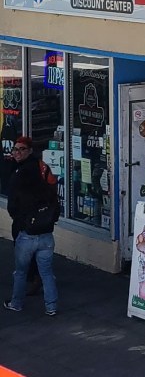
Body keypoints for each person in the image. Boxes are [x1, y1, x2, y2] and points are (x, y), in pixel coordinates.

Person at [4, 135, 59, 316]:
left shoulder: (19, 175)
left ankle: (16, 303)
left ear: (30, 151)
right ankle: (51, 307)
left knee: (20, 272)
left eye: (22, 149)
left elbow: (12, 205)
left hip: (27, 232)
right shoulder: (42, 169)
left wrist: (20, 222)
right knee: (47, 272)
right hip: (46, 232)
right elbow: (54, 197)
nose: (17, 152)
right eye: (15, 149)